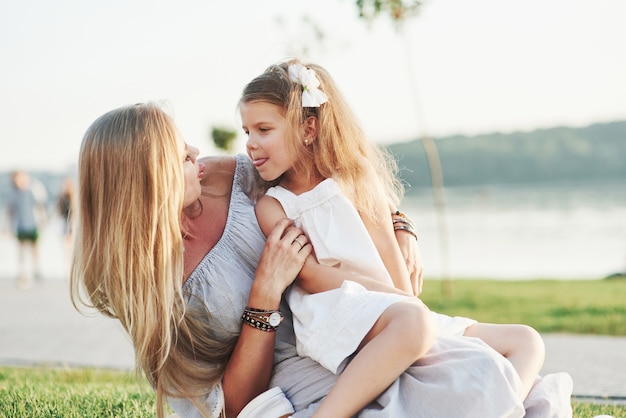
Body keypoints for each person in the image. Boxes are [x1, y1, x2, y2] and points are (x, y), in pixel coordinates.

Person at [71, 103, 572, 418]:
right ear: (148, 182)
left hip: (347, 313)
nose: (196, 152)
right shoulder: (150, 286)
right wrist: (265, 295)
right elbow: (235, 404)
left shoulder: (222, 175)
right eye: (179, 155)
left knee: (510, 354)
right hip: (299, 370)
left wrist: (400, 222)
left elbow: (325, 173)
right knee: (475, 380)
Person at [241, 59, 550, 416]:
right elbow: (309, 274)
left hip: (395, 308)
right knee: (417, 329)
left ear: (308, 128)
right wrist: (399, 303)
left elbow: (388, 248)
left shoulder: (357, 180)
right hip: (338, 309)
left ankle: (502, 408)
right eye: (246, 131)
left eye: (263, 129)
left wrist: (410, 305)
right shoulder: (274, 205)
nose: (250, 143)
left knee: (526, 340)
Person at [8, 170, 46, 288]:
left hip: (33, 224)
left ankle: (36, 270)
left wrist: (42, 220)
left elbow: (40, 205)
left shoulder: (31, 191)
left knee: (35, 249)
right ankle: (22, 272)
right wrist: (8, 227)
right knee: (22, 250)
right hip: (20, 225)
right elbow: (11, 211)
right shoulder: (14, 193)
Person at [57, 176, 76, 277]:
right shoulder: (61, 198)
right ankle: (68, 271)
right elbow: (59, 213)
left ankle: (70, 271)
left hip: (72, 225)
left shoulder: (74, 198)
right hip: (65, 224)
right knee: (67, 249)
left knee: (71, 250)